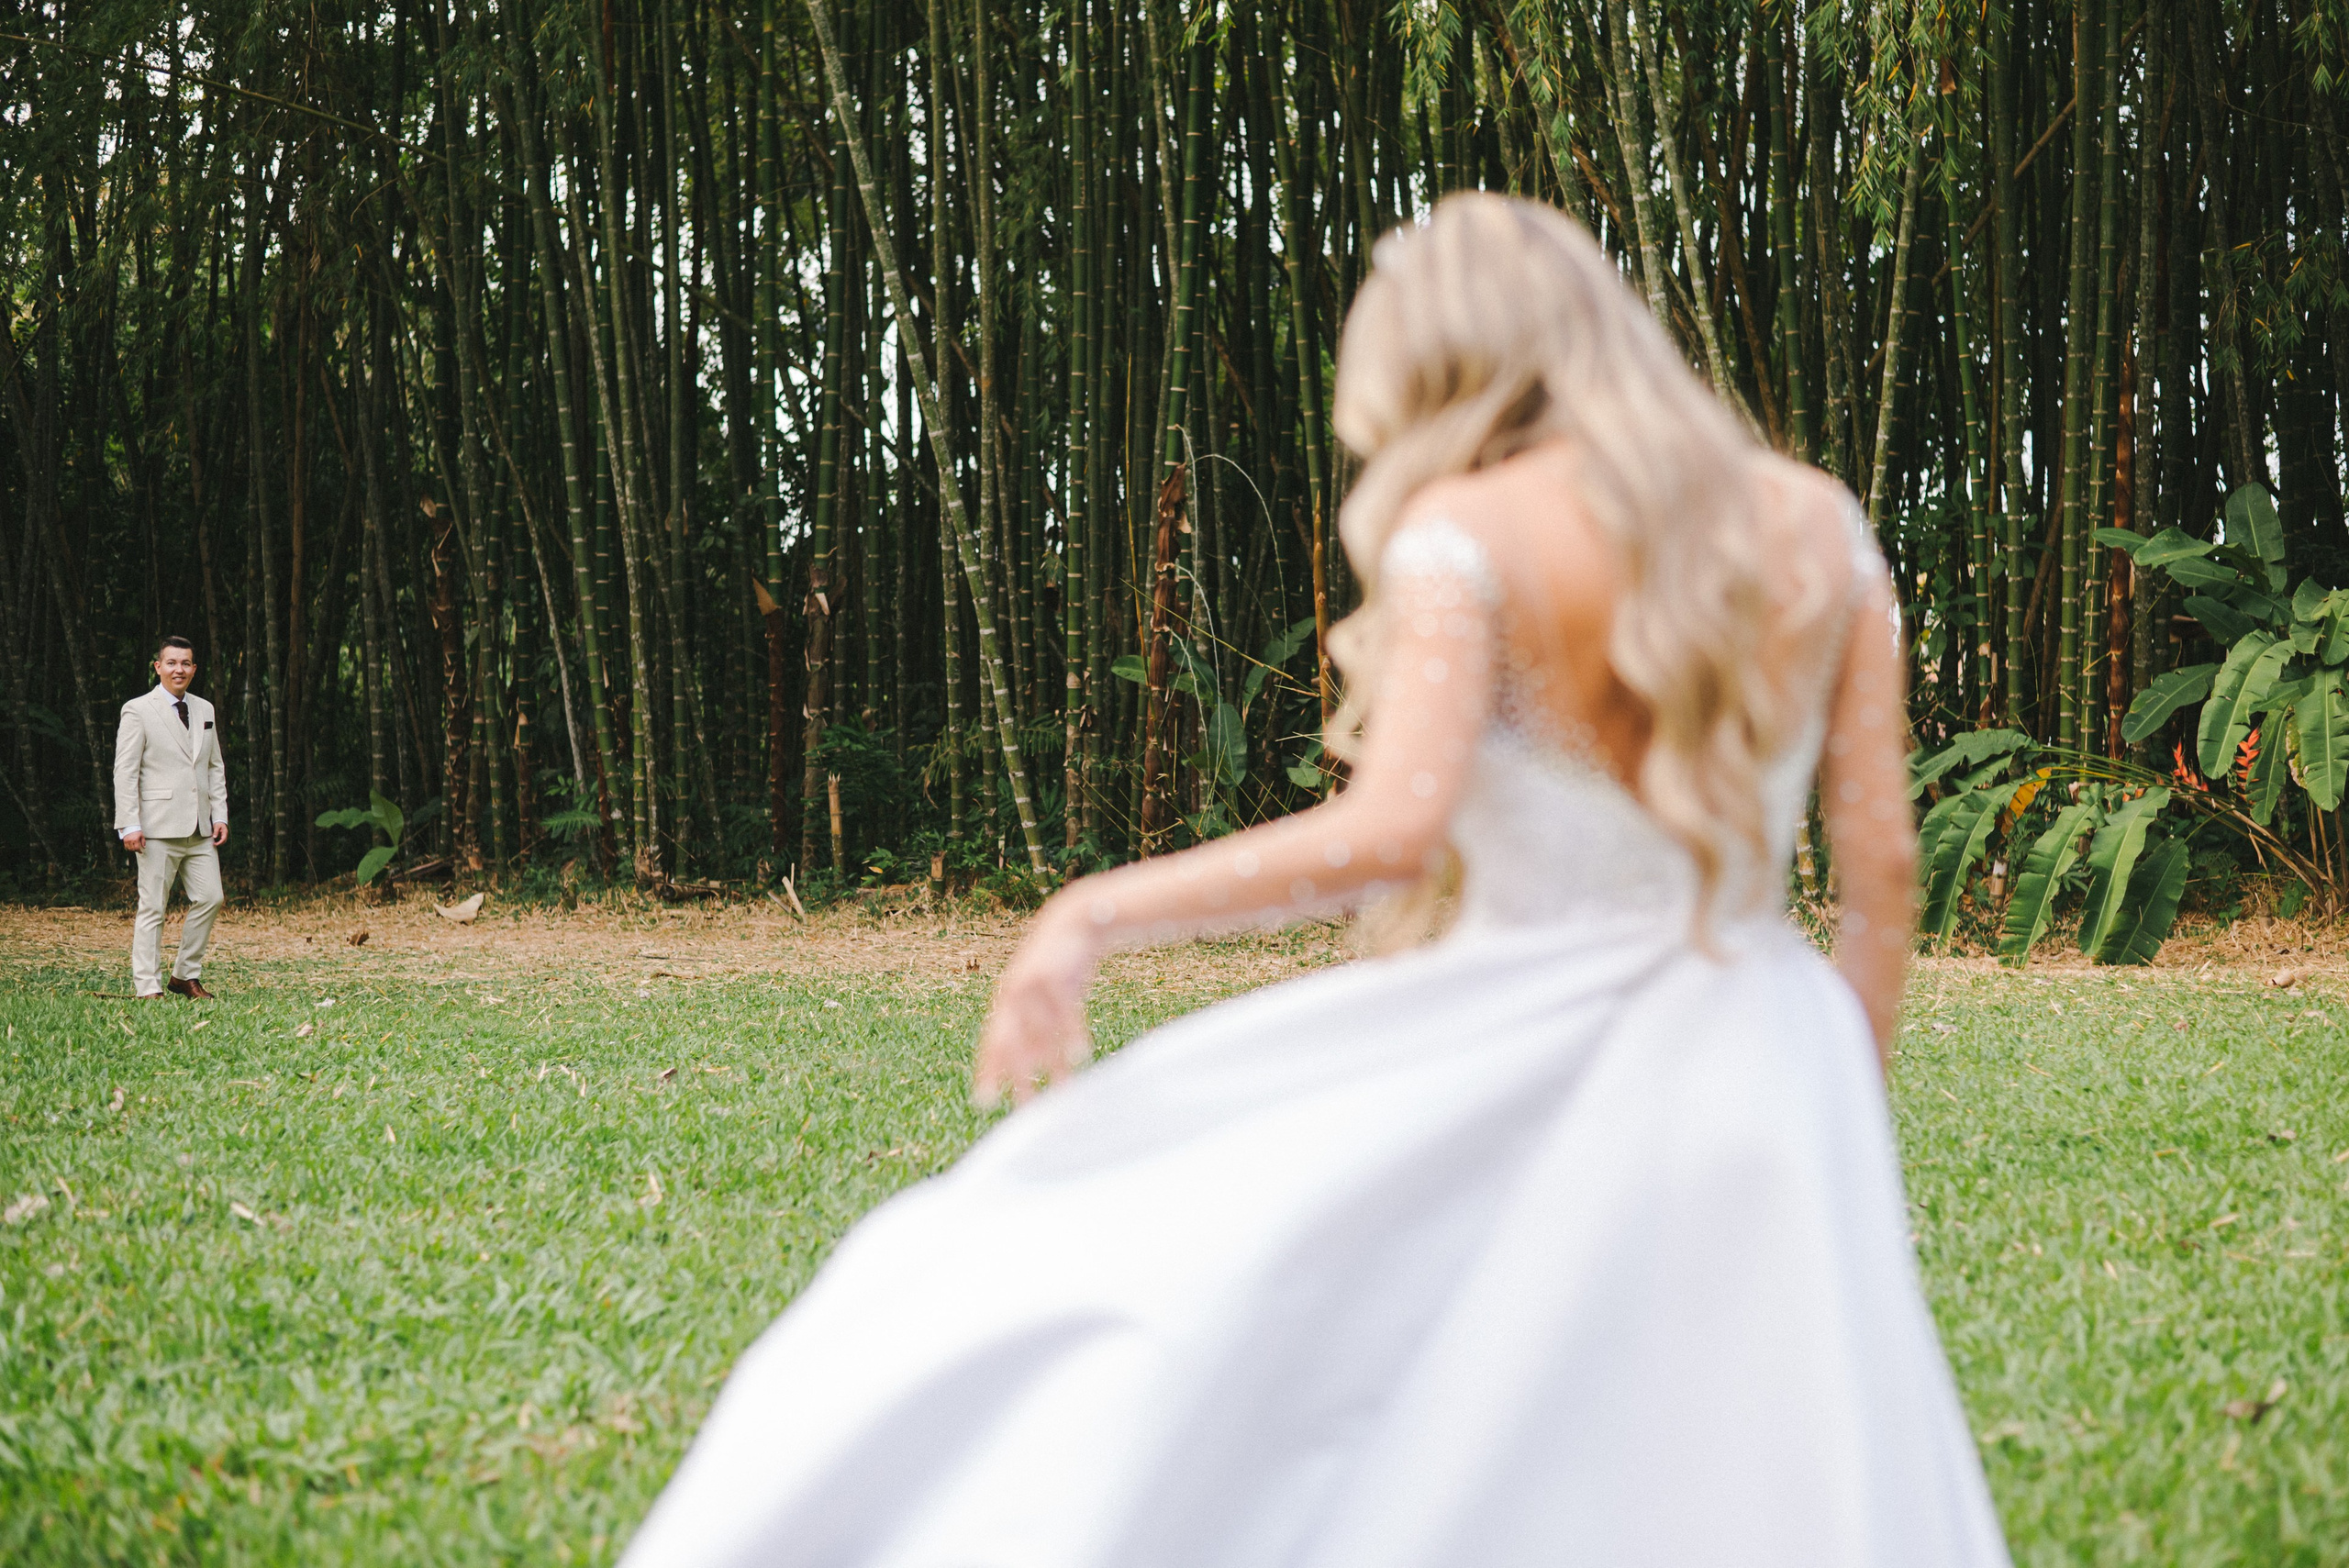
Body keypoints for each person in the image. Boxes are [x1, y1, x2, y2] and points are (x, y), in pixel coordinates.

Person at [622, 195, 2009, 1567]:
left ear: (1445, 364)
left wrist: (1093, 908)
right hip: (1763, 1045)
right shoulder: (1817, 521)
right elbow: (1880, 867)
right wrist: (1836, 1086)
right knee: (1759, 1454)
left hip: (1514, 1028)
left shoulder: (1465, 532)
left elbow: (1389, 837)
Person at [114, 635, 228, 1001]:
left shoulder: (205, 708)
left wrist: (220, 814)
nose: (179, 669)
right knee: (153, 907)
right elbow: (125, 771)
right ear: (158, 666)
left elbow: (214, 767)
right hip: (156, 826)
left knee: (212, 898)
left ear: (194, 669)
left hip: (199, 826)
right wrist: (129, 824)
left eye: (186, 663)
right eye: (172, 662)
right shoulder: (138, 709)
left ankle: (184, 975)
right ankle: (148, 986)